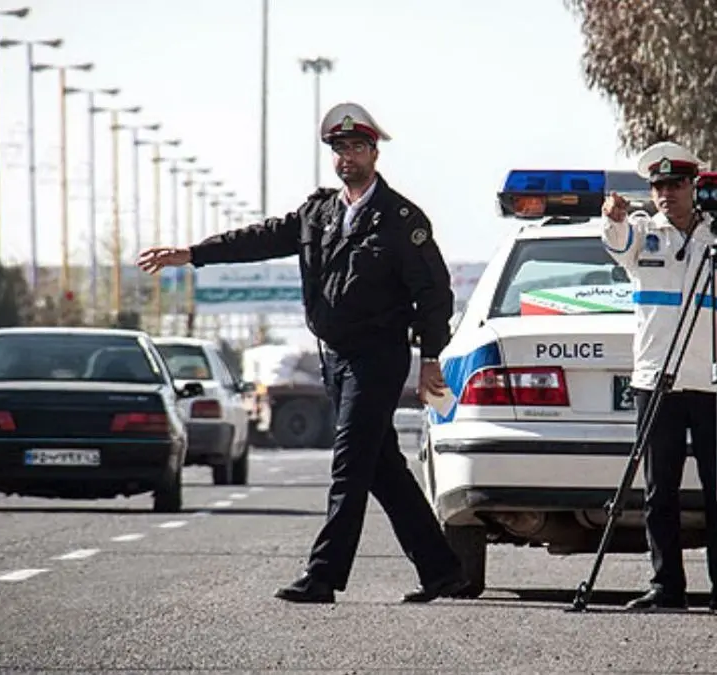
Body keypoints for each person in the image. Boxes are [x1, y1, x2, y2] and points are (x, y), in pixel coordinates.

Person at [137, 102, 469, 605]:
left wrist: (429, 359)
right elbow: (260, 238)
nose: (347, 158)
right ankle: (444, 571)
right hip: (335, 358)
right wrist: (192, 254)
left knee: (349, 465)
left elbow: (434, 293)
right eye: (339, 149)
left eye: (356, 147)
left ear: (375, 152)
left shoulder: (401, 219)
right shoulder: (320, 213)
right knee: (382, 468)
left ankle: (323, 576)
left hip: (377, 357)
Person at [600, 141, 717, 613]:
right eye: (657, 185)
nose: (665, 193)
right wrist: (614, 217)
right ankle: (666, 587)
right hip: (658, 381)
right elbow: (617, 243)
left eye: (674, 184)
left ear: (693, 185)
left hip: (714, 383)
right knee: (660, 492)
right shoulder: (641, 233)